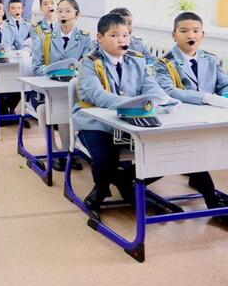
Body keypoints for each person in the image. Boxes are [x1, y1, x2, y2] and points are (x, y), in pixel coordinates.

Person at [71, 13, 174, 220]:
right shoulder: (90, 62)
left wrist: (161, 99)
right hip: (96, 124)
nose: (122, 40)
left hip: (132, 122)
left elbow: (151, 86)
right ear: (100, 38)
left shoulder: (136, 60)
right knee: (105, 159)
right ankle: (101, 192)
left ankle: (122, 180)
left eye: (125, 35)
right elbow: (97, 95)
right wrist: (132, 104)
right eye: (115, 35)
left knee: (163, 155)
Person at [153, 11, 228, 222]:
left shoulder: (210, 59)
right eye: (184, 31)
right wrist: (206, 98)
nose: (190, 35)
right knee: (192, 154)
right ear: (174, 35)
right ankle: (213, 203)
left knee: (201, 153)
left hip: (208, 118)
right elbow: (169, 91)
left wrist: (224, 97)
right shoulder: (164, 63)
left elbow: (224, 84)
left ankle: (200, 183)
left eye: (196, 31)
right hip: (180, 120)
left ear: (202, 35)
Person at [30, 0, 92, 171]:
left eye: (68, 11)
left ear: (77, 15)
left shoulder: (85, 38)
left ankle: (67, 150)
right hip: (48, 89)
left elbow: (88, 66)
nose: (63, 14)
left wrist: (73, 75)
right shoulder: (46, 37)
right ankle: (54, 150)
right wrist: (51, 73)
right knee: (44, 108)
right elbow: (36, 66)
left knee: (66, 107)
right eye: (60, 11)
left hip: (74, 90)